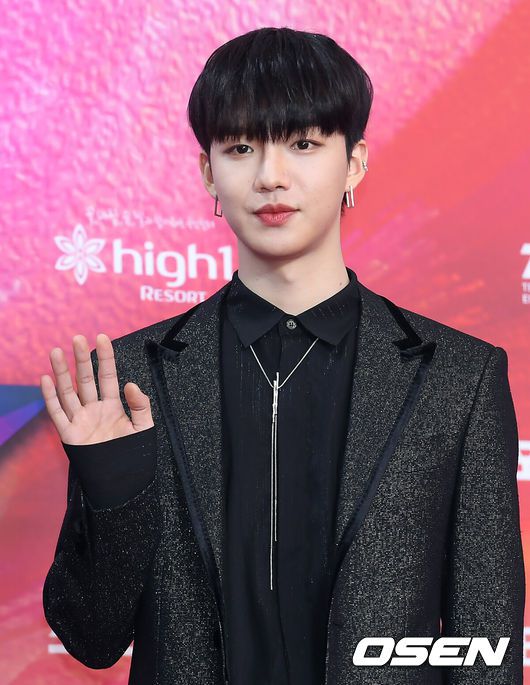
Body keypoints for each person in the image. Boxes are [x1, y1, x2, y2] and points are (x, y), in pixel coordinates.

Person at [41, 26, 525, 685]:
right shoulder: (134, 378)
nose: (271, 176)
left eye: (303, 144)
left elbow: (486, 643)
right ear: (209, 172)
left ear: (354, 163)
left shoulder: (458, 379)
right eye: (241, 147)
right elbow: (92, 639)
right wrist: (113, 489)